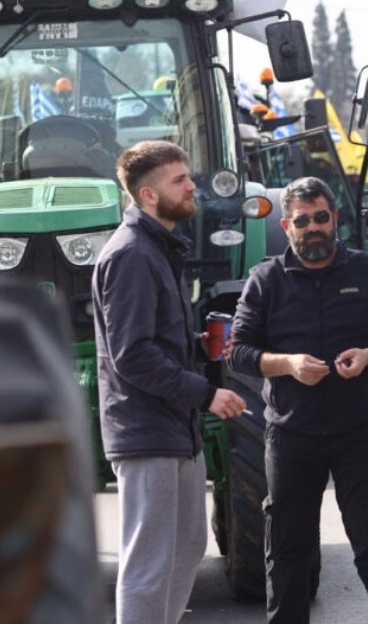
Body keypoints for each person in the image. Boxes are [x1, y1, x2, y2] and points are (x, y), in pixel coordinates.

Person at [228, 176, 368, 624]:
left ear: (334, 218)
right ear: (287, 226)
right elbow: (237, 352)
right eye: (301, 221)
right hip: (292, 434)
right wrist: (287, 364)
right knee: (289, 551)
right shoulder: (265, 280)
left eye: (320, 218)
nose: (312, 228)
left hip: (360, 432)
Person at [92, 140, 248, 624]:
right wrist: (206, 392)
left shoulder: (159, 248)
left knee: (187, 545)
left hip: (174, 426)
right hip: (147, 430)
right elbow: (132, 356)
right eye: (179, 180)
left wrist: (196, 343)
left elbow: (151, 339)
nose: (192, 187)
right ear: (148, 195)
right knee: (150, 558)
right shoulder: (132, 255)